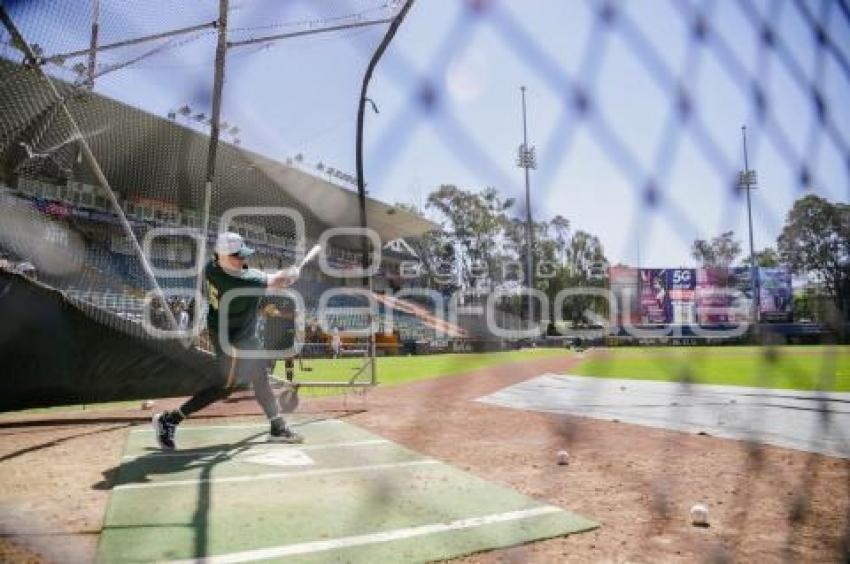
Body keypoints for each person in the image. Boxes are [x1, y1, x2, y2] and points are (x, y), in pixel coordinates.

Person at [152, 232, 303, 450]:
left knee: (260, 377)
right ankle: (170, 420)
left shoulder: (211, 267)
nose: (242, 259)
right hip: (232, 339)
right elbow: (274, 282)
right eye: (237, 256)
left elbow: (257, 276)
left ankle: (277, 426)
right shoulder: (239, 282)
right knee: (225, 387)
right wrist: (289, 275)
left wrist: (284, 275)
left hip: (241, 334)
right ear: (222, 256)